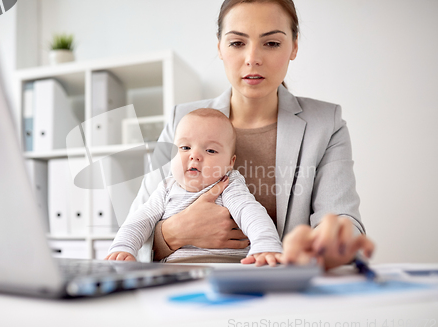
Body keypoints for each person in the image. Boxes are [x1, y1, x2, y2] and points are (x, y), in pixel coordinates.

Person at [127, 0, 375, 269]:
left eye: (271, 43)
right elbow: (132, 229)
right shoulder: (181, 121)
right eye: (237, 43)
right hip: (188, 291)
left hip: (285, 293)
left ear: (294, 46)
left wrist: (329, 244)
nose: (253, 58)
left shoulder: (326, 124)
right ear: (219, 47)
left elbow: (342, 221)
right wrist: (175, 233)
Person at [106, 108, 283, 266]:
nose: (195, 156)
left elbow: (249, 211)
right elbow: (139, 221)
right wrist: (123, 248)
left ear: (230, 162)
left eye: (211, 150)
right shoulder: (166, 188)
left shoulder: (228, 183)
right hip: (175, 271)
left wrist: (265, 244)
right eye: (185, 147)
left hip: (229, 267)